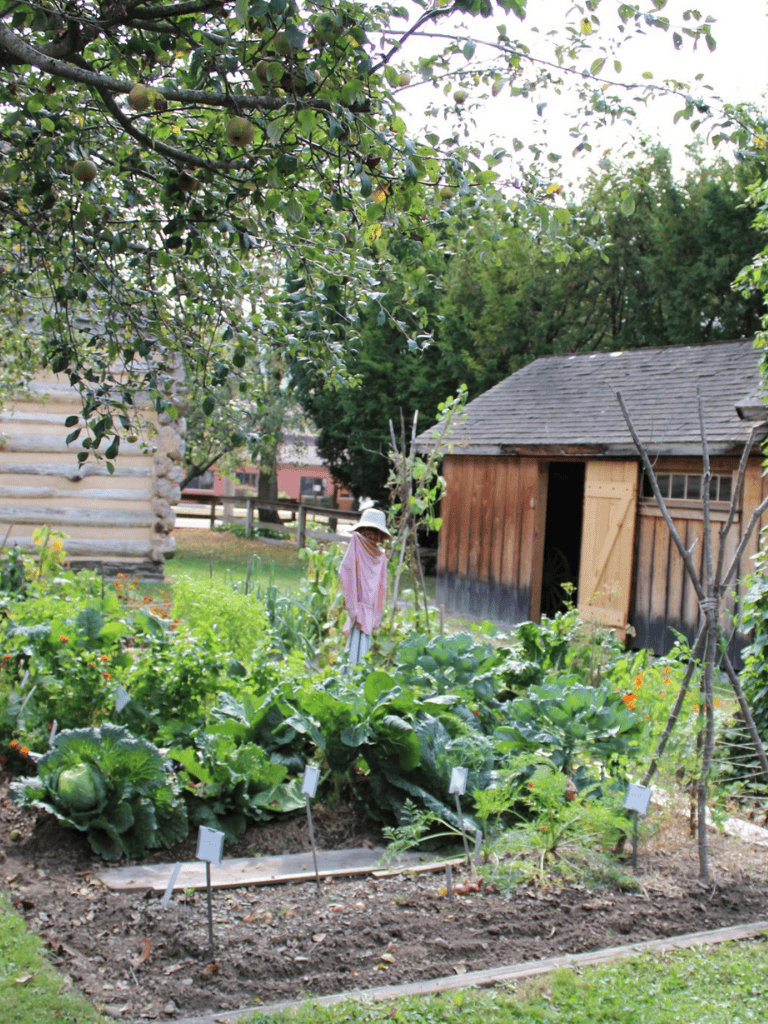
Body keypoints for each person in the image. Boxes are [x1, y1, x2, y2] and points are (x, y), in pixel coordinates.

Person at [338, 507, 391, 664]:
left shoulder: (379, 556)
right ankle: (354, 674)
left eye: (375, 533)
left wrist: (374, 612)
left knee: (357, 647)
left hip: (365, 607)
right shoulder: (357, 544)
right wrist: (355, 605)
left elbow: (381, 586)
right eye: (369, 532)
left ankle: (352, 674)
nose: (372, 537)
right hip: (363, 606)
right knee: (359, 648)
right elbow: (346, 570)